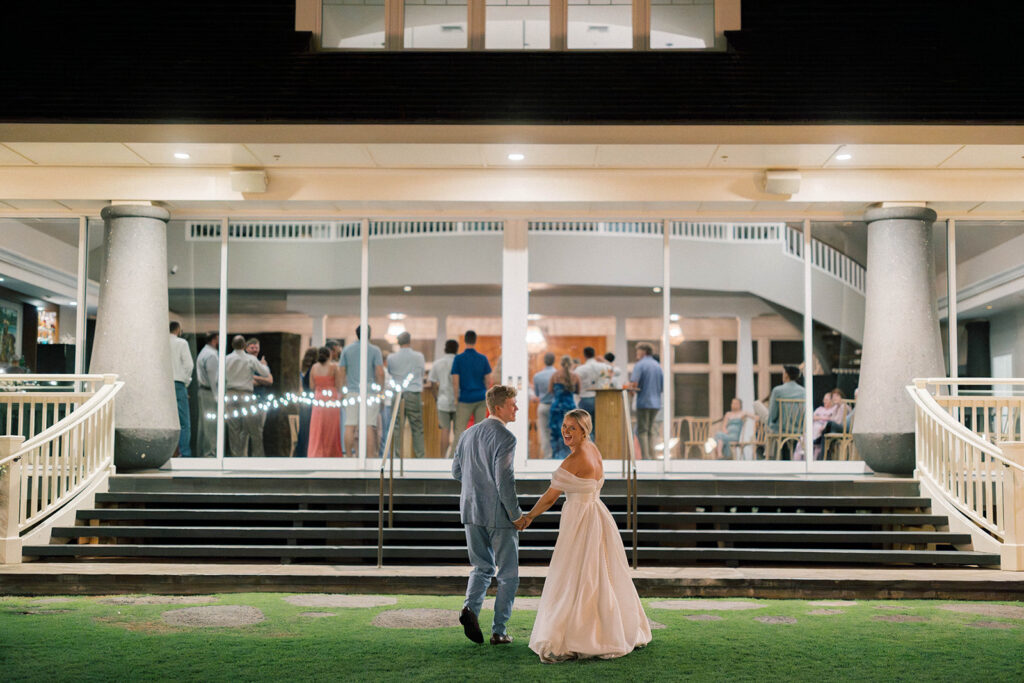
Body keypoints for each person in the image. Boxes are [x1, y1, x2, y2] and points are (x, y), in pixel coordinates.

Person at [519, 409, 652, 662]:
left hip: (581, 519)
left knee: (576, 574)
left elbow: (549, 498)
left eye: (572, 428)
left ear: (583, 430)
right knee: (599, 573)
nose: (566, 432)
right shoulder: (594, 450)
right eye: (565, 427)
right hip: (596, 514)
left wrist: (529, 517)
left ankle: (582, 634)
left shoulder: (575, 460)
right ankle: (608, 627)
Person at [452, 385, 525, 646]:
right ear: (498, 407)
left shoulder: (467, 434)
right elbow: (505, 481)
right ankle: (499, 631)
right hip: (498, 514)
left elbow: (456, 473)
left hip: (470, 510)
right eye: (512, 404)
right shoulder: (506, 438)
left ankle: (469, 610)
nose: (516, 408)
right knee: (508, 574)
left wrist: (476, 486)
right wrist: (516, 515)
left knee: (481, 567)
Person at [339, 325, 385, 458]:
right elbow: (380, 372)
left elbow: (341, 371)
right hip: (370, 393)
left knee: (350, 425)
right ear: (370, 334)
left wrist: (342, 391)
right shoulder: (375, 350)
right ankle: (369, 457)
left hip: (352, 392)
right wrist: (380, 391)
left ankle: (348, 456)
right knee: (369, 425)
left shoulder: (347, 349)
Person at [224, 334, 270, 457]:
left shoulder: (226, 359)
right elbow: (265, 373)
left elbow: (219, 378)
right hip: (246, 395)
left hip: (230, 394)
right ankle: (258, 457)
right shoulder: (250, 359)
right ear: (244, 346)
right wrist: (264, 364)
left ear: (232, 345)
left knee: (234, 430)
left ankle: (236, 458)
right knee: (255, 429)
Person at [387, 331, 426, 458]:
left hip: (397, 393)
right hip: (413, 393)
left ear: (398, 342)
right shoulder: (418, 356)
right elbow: (421, 373)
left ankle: (397, 457)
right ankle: (420, 457)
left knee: (397, 427)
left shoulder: (391, 358)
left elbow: (390, 373)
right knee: (417, 427)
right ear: (410, 341)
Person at [451, 330, 493, 447]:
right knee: (480, 431)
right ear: (475, 340)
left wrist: (456, 398)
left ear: (465, 340)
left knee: (460, 430)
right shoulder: (482, 358)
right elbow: (488, 380)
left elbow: (455, 381)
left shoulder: (458, 359)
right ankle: (479, 459)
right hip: (480, 397)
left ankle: (453, 460)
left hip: (464, 398)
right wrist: (484, 391)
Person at [626, 342, 663, 461]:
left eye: (638, 351)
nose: (636, 353)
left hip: (644, 401)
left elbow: (634, 384)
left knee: (642, 430)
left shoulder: (640, 365)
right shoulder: (657, 366)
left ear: (643, 352)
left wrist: (630, 391)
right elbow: (661, 386)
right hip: (656, 403)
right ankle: (653, 456)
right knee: (651, 430)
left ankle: (646, 457)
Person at [308, 346, 344, 458]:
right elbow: (339, 385)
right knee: (331, 427)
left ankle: (316, 452)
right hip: (331, 399)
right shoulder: (334, 367)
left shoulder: (314, 367)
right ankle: (331, 453)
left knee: (318, 427)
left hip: (318, 399)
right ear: (330, 355)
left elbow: (311, 386)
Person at [427, 339, 459, 458]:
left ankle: (442, 457)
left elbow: (432, 383)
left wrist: (436, 396)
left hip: (443, 401)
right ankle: (455, 457)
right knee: (458, 431)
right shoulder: (459, 361)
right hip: (458, 401)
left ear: (445, 348)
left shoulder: (438, 363)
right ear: (456, 349)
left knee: (444, 430)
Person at [169, 321, 194, 458]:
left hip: (163, 386)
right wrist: (186, 382)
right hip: (178, 383)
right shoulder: (182, 343)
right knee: (184, 422)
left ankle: (167, 453)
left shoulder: (160, 343)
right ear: (178, 329)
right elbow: (189, 365)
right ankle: (184, 453)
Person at [547, 355, 579, 460]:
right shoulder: (575, 376)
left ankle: (556, 457)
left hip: (557, 407)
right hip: (570, 407)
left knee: (556, 434)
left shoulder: (555, 375)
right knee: (571, 433)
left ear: (561, 364)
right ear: (571, 364)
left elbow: (550, 390)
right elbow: (578, 391)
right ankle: (569, 457)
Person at [575, 347, 609, 439]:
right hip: (600, 399)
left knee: (586, 428)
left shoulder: (580, 369)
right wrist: (605, 361)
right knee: (600, 427)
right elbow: (615, 372)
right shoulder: (603, 366)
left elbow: (575, 382)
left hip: (586, 399)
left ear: (585, 355)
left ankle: (590, 450)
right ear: (594, 354)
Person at [194, 331, 219, 458]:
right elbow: (212, 377)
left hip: (202, 391)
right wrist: (217, 396)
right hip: (209, 392)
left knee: (204, 425)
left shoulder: (203, 352)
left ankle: (203, 452)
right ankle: (210, 453)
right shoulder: (211, 355)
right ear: (214, 339)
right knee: (210, 425)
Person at [293, 347, 319, 458]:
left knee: (304, 429)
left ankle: (302, 452)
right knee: (309, 428)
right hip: (311, 402)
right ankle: (307, 452)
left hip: (305, 403)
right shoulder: (313, 369)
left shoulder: (304, 369)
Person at [532, 352, 557, 459]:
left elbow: (537, 394)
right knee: (557, 431)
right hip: (556, 406)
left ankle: (547, 457)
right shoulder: (558, 374)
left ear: (544, 361)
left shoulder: (537, 376)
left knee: (544, 433)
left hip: (543, 406)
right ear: (554, 360)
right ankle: (557, 456)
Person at [767, 365, 805, 433]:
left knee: (757, 405)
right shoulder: (804, 391)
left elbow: (773, 415)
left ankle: (770, 443)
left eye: (783, 373)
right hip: (799, 429)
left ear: (786, 375)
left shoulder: (777, 390)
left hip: (781, 428)